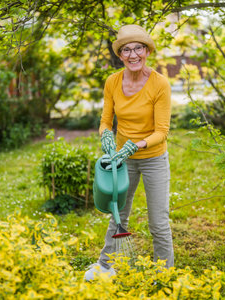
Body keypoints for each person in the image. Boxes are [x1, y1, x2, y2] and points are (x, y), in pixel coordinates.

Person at [85, 24, 173, 281]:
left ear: (147, 51)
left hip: (153, 158)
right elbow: (105, 121)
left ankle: (163, 274)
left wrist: (138, 145)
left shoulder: (159, 84)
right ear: (120, 55)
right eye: (126, 50)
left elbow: (162, 131)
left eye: (138, 48)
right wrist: (107, 137)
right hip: (121, 160)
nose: (133, 55)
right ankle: (105, 265)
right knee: (117, 214)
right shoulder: (112, 81)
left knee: (158, 222)